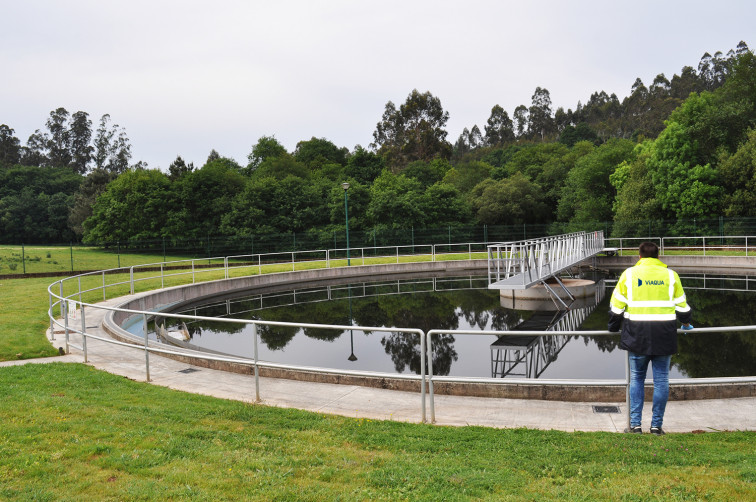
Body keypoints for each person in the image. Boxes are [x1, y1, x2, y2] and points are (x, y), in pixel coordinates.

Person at [608, 242, 693, 435]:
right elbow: (682, 307)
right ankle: (656, 427)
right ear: (658, 257)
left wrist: (613, 327)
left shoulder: (629, 275)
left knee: (636, 379)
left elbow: (616, 307)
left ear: (639, 257)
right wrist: (686, 323)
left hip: (637, 334)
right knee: (661, 380)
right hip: (664, 334)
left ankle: (635, 426)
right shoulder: (671, 276)